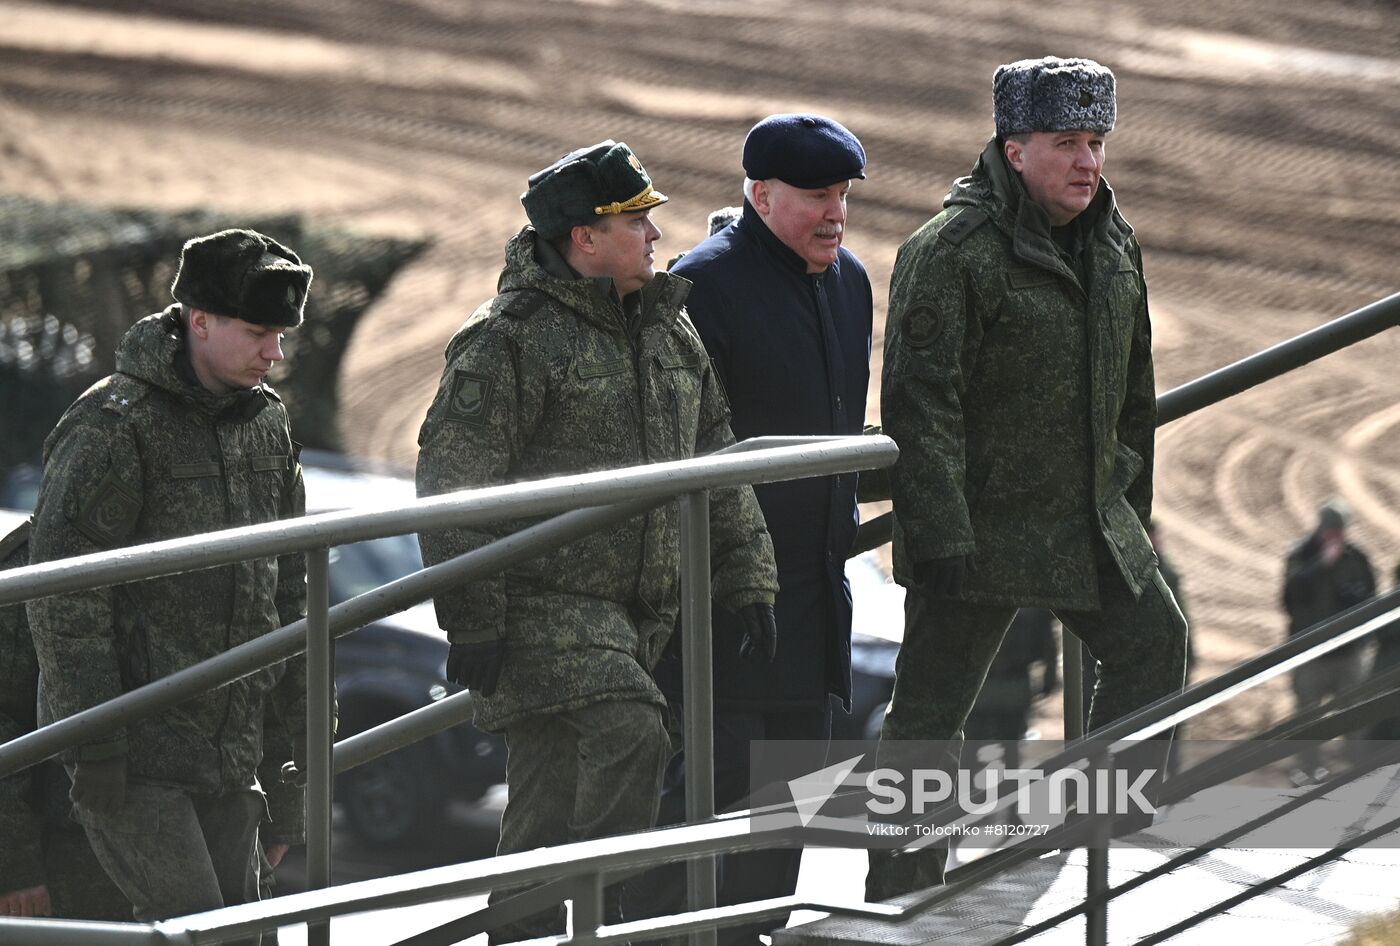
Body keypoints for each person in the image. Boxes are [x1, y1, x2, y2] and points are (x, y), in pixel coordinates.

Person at [415, 140, 778, 940]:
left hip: (633, 616)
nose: (654, 236)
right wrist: (471, 615)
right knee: (634, 731)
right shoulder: (507, 340)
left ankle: (528, 928)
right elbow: (452, 484)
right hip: (540, 607)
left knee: (542, 804)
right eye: (635, 221)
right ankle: (601, 909)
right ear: (583, 237)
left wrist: (747, 572)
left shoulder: (666, 331)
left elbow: (714, 456)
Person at [872, 56, 1188, 898]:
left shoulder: (1114, 245)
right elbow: (919, 401)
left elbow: (1136, 391)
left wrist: (1132, 516)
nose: (1088, 161)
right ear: (1015, 150)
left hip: (1083, 523)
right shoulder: (952, 251)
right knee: (930, 720)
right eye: (1066, 143)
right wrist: (938, 534)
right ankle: (899, 890)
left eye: (1096, 142)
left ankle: (1088, 846)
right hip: (978, 532)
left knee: (1157, 643)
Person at [25, 229, 312, 936]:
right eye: (258, 332)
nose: (274, 353)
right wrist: (93, 742)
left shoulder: (266, 425)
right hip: (134, 758)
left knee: (245, 934)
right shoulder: (111, 427)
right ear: (199, 321)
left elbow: (291, 598)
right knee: (194, 929)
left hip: (230, 755)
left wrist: (291, 769)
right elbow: (65, 603)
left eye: (281, 336)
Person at [643, 113, 872, 944]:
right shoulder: (702, 287)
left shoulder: (851, 284)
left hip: (815, 614)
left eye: (842, 195)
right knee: (698, 824)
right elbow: (679, 460)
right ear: (760, 194)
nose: (835, 214)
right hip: (722, 615)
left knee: (785, 832)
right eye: (817, 196)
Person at [1, 520, 131, 922]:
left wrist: (280, 815)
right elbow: (4, 722)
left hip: (214, 826)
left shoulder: (210, 538)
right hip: (74, 859)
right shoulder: (33, 565)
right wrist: (16, 866)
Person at [1282, 498, 1376, 782]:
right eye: (1331, 529)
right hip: (1311, 655)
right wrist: (1321, 564)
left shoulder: (1357, 558)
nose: (1336, 534)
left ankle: (1356, 771)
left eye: (1340, 529)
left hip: (1347, 654)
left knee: (1355, 716)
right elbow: (1289, 598)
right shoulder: (1301, 555)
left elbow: (1369, 599)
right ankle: (1308, 769)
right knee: (1307, 715)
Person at [964, 608, 1058, 775]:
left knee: (974, 747)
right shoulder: (1032, 601)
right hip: (1009, 683)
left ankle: (970, 791)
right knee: (1008, 748)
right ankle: (1006, 792)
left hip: (987, 682)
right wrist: (1049, 677)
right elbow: (1047, 642)